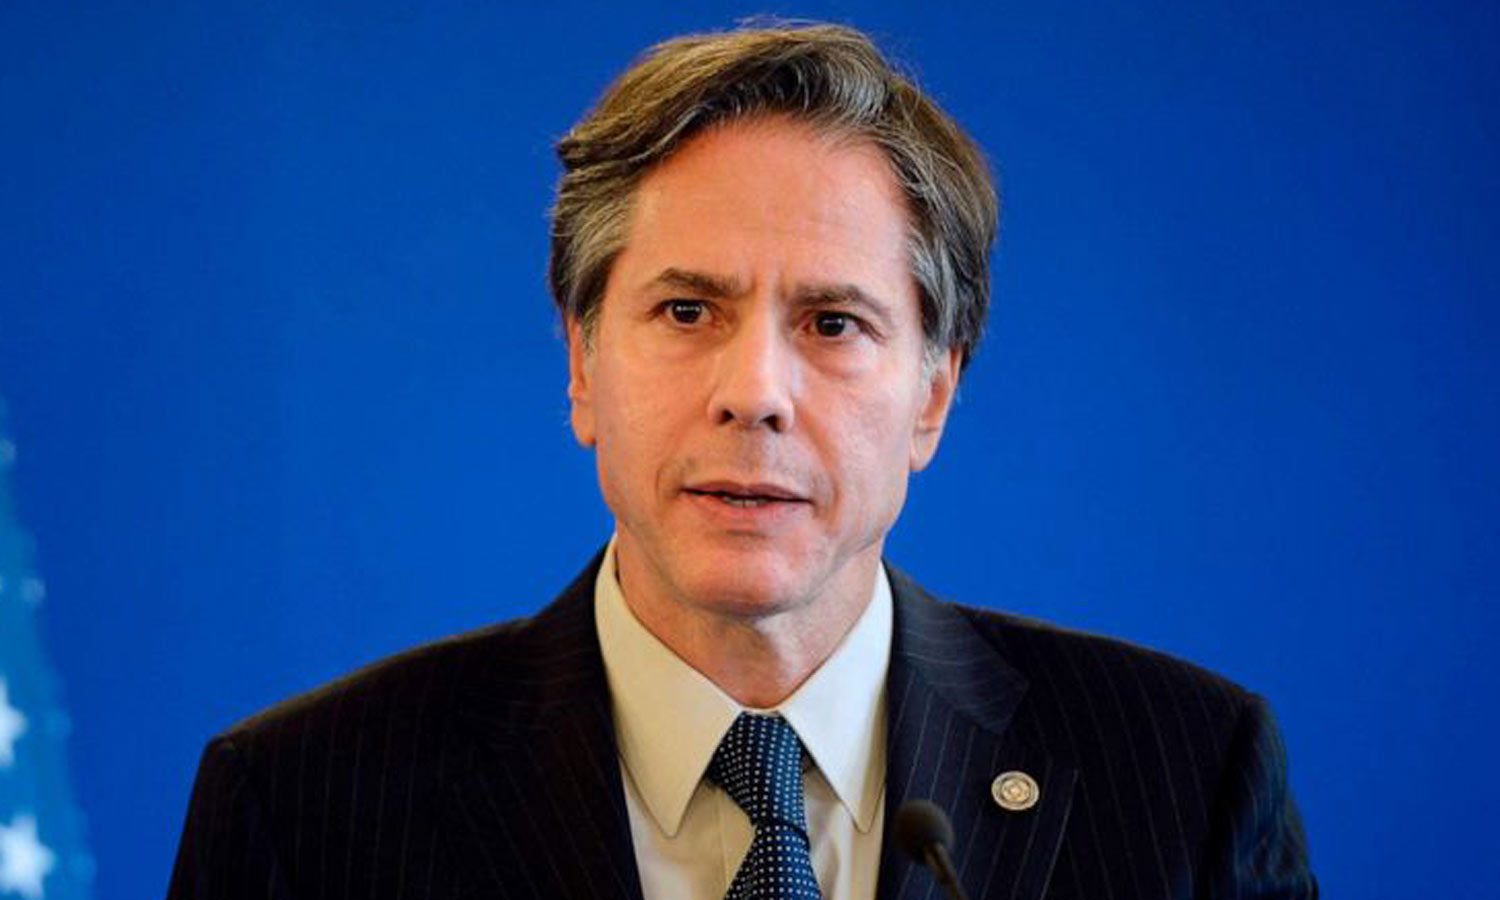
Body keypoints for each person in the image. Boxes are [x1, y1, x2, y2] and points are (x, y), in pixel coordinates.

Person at [168, 22, 1316, 900]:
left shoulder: (1184, 777)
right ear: (582, 364)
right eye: (686, 311)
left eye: (833, 323)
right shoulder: (304, 808)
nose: (754, 392)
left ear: (933, 394)